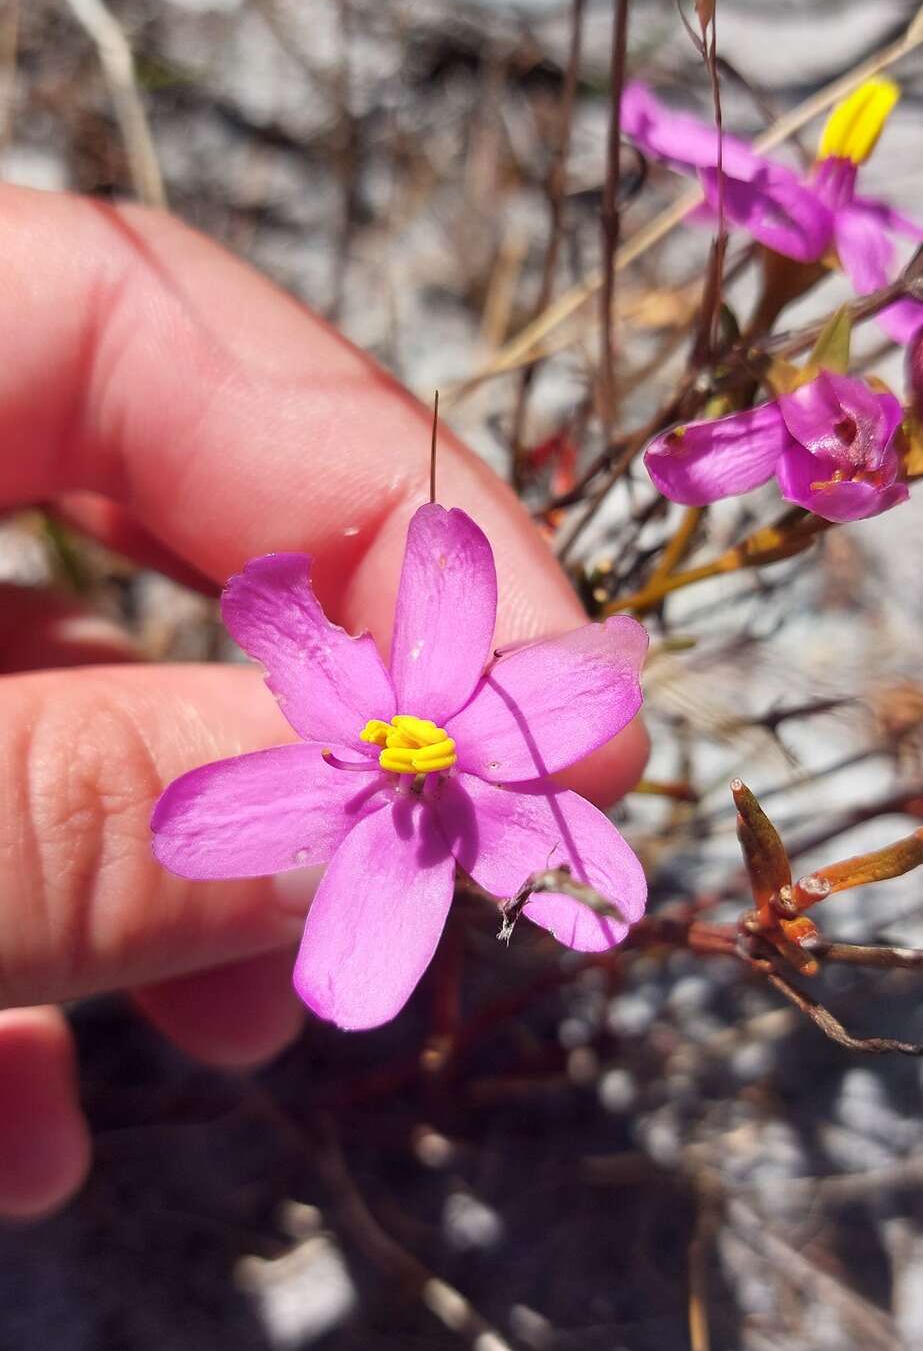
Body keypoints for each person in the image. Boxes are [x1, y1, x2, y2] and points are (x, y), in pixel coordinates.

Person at [0, 188, 647, 1220]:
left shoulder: (482, 753)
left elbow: (593, 670)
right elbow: (281, 620)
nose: (413, 749)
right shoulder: (362, 716)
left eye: (415, 749)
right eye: (407, 747)